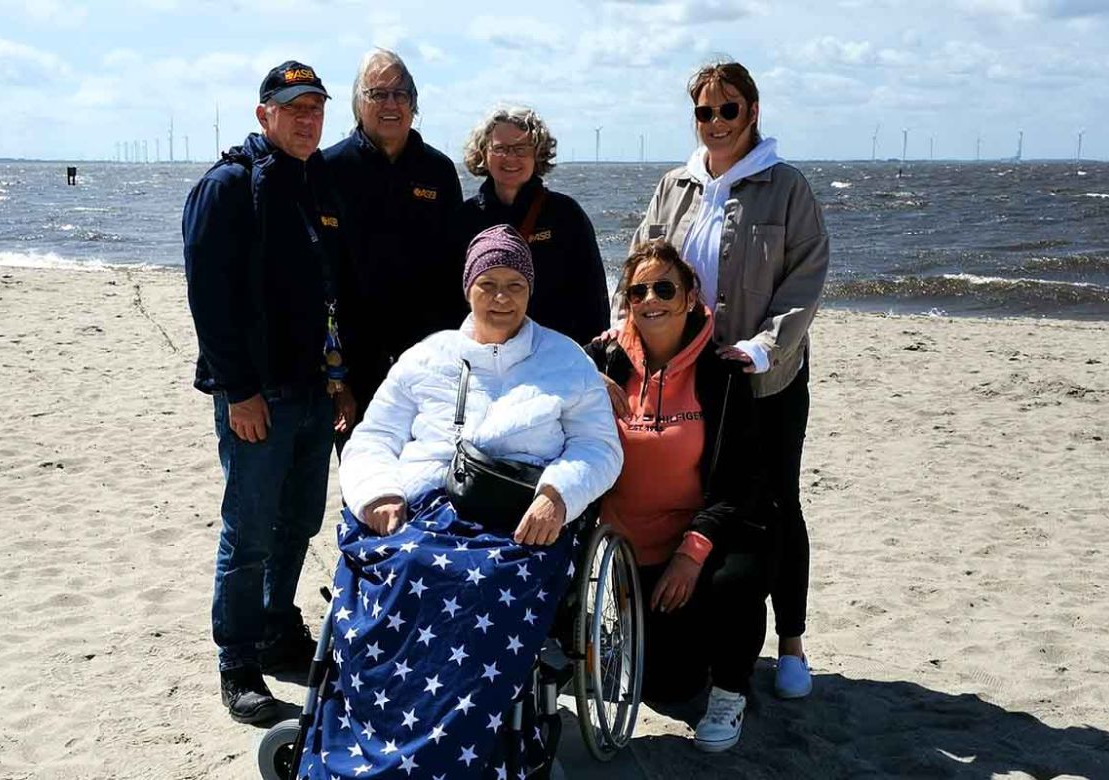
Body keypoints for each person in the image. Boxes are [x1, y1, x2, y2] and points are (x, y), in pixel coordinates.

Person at [296, 225, 623, 779]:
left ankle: (461, 752)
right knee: (399, 566)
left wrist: (557, 496)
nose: (501, 297)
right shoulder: (427, 357)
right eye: (488, 283)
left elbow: (598, 446)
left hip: (517, 518)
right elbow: (373, 438)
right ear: (467, 286)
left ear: (531, 289)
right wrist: (379, 492)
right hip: (421, 508)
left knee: (476, 582)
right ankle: (371, 739)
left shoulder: (565, 360)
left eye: (515, 284)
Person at [629, 59, 829, 700]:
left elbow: (805, 278)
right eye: (704, 112)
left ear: (752, 113)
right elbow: (639, 268)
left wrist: (763, 350)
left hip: (764, 380)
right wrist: (625, 337)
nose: (715, 123)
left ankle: (792, 644)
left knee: (774, 505)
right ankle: (711, 637)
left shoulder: (786, 187)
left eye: (728, 109)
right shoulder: (675, 187)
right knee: (705, 499)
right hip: (689, 382)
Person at [183, 60, 356, 724]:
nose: (308, 119)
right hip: (258, 396)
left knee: (299, 523)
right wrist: (238, 392)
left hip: (314, 394)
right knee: (249, 529)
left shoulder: (316, 183)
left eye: (316, 108)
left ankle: (277, 629)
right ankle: (238, 661)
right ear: (265, 115)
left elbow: (328, 296)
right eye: (295, 109)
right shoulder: (229, 186)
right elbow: (209, 301)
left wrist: (339, 383)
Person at [588, 240, 776, 752]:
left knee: (739, 579)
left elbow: (742, 482)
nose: (652, 298)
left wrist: (692, 555)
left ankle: (731, 690)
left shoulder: (722, 374)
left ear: (691, 295)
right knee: (669, 687)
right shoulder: (599, 359)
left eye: (665, 287)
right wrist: (581, 380)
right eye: (638, 290)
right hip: (627, 552)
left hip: (699, 547)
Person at [323, 47, 464, 416]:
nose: (391, 103)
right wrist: (336, 375)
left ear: (413, 105)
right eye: (378, 93)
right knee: (363, 469)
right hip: (353, 360)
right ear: (358, 104)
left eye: (401, 94)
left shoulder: (439, 171)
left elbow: (457, 267)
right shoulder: (327, 169)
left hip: (428, 357)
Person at [458, 106, 610, 346]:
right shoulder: (464, 218)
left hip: (554, 355)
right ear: (483, 153)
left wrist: (590, 358)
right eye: (500, 148)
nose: (510, 158)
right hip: (483, 355)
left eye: (521, 149)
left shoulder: (566, 215)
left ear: (537, 154)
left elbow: (593, 297)